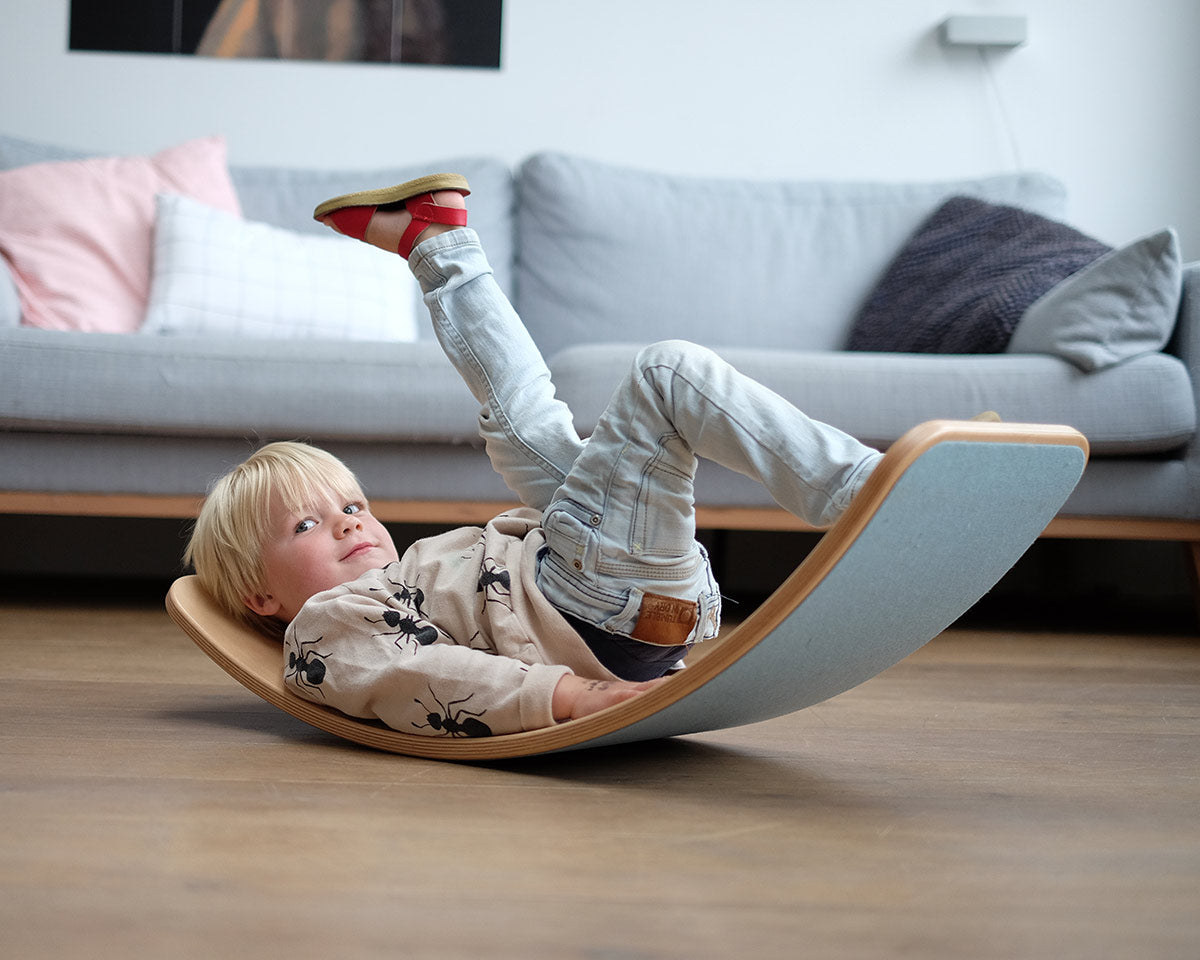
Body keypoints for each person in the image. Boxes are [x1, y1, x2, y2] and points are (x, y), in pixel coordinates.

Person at [185, 174, 884, 738]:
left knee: (522, 426)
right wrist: (568, 696)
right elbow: (422, 679)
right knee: (668, 376)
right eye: (305, 526)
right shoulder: (323, 628)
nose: (347, 524)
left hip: (582, 584)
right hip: (591, 604)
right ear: (261, 596)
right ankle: (866, 492)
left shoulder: (398, 584)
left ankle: (438, 241)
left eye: (351, 505)